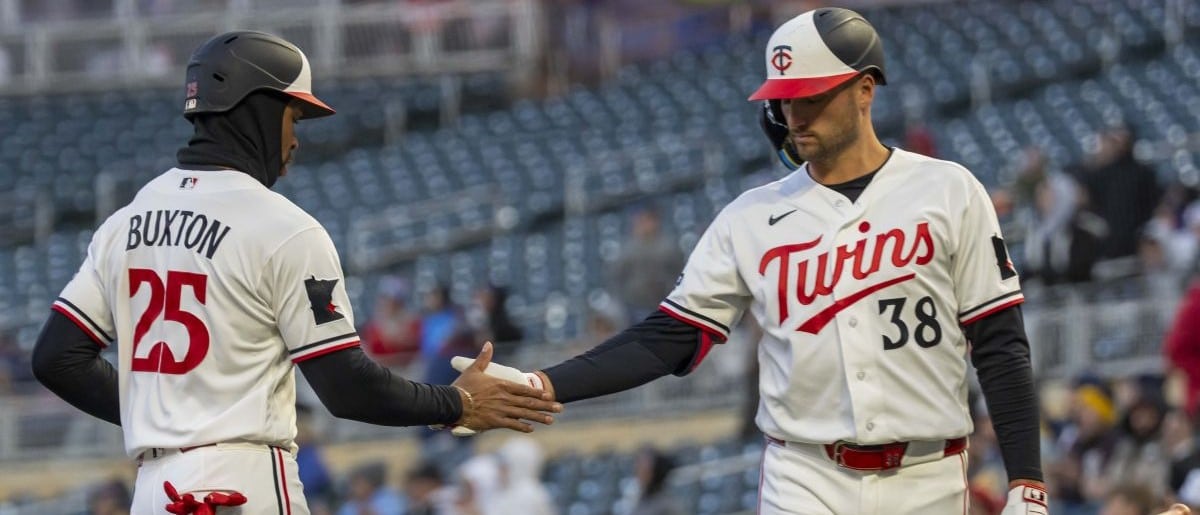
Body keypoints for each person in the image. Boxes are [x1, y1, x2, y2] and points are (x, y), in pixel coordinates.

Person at [452, 8, 1045, 514]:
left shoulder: (947, 189)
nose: (796, 115)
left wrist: (1026, 479)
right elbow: (668, 339)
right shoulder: (750, 217)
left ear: (866, 88)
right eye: (784, 100)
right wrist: (541, 382)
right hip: (807, 477)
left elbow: (999, 342)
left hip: (930, 476)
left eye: (811, 96)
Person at [29, 30, 560, 515]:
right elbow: (346, 386)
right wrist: (458, 402)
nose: (296, 139)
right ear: (256, 112)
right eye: (293, 116)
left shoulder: (125, 222)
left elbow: (57, 358)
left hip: (153, 490)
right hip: (242, 484)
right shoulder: (283, 228)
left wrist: (164, 418)